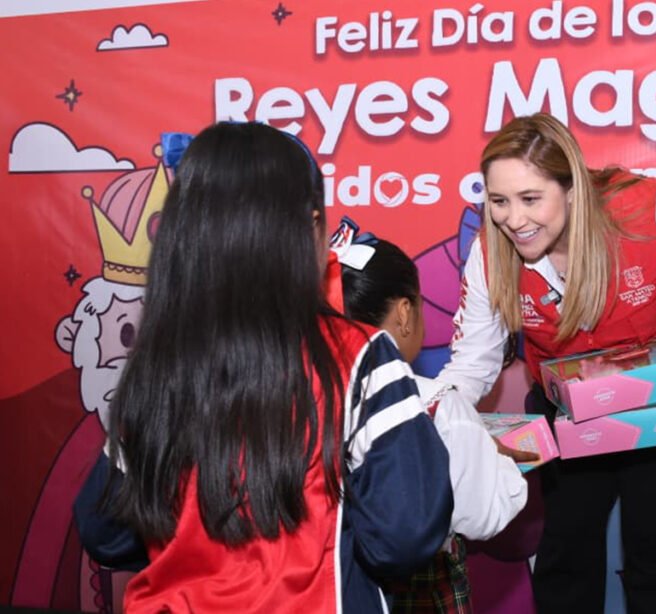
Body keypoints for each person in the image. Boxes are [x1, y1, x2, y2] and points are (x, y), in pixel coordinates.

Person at [73, 122, 453, 613]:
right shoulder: (359, 356)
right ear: (310, 226)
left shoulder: (159, 363)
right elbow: (406, 534)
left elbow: (104, 530)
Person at [436, 112, 656, 613]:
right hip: (564, 408)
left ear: (572, 190)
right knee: (565, 552)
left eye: (530, 198)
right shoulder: (491, 251)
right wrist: (431, 412)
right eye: (498, 201)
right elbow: (474, 358)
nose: (514, 219)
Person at [331, 223, 530, 613]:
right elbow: (485, 514)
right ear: (405, 312)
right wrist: (499, 464)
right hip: (422, 592)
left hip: (342, 589)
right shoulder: (438, 406)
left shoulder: (307, 401)